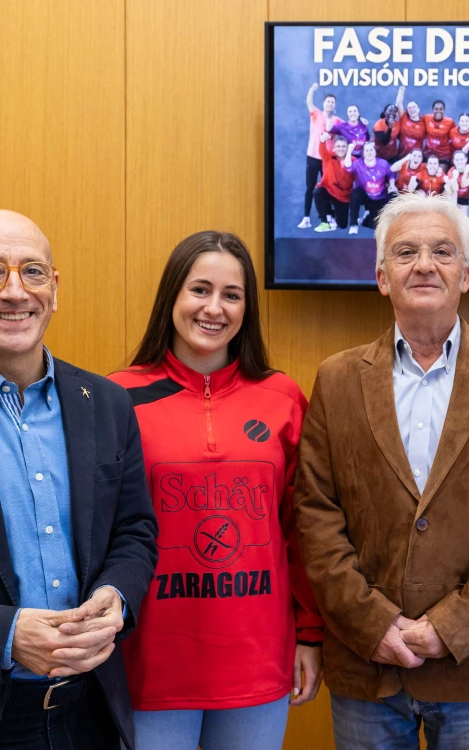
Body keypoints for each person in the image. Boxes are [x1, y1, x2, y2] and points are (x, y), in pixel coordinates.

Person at [294, 192, 469, 750]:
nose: (425, 264)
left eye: (443, 251)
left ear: (466, 273)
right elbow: (315, 515)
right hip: (368, 664)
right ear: (382, 277)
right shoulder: (336, 380)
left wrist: (449, 628)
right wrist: (375, 625)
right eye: (406, 252)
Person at [109, 231, 324, 750]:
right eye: (199, 289)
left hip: (257, 661)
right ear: (172, 298)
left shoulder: (283, 397)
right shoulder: (117, 396)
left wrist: (310, 635)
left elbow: (302, 530)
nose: (214, 307)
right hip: (151, 664)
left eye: (232, 294)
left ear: (247, 308)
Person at [0, 210, 158, 750]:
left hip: (89, 713)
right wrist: (0, 636)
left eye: (33, 272)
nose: (15, 291)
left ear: (55, 288)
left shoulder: (108, 404)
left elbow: (135, 530)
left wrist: (116, 596)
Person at [298, 83, 342, 229]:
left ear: (335, 105)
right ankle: (306, 219)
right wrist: (312, 89)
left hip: (327, 159)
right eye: (328, 101)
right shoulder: (316, 113)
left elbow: (350, 128)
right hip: (312, 156)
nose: (330, 103)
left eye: (332, 102)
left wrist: (361, 122)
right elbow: (309, 102)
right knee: (310, 187)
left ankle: (329, 217)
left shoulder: (337, 120)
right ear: (324, 103)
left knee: (328, 189)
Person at [345, 141, 395, 235]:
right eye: (366, 150)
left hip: (379, 197)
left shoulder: (383, 164)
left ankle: (367, 216)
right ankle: (353, 225)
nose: (369, 152)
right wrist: (349, 150)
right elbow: (348, 168)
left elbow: (391, 175)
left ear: (375, 152)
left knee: (374, 224)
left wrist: (392, 185)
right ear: (363, 153)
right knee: (355, 194)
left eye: (371, 150)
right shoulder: (358, 163)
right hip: (364, 195)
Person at [313, 134, 356, 231]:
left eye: (343, 146)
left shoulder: (353, 160)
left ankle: (332, 214)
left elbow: (361, 176)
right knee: (317, 192)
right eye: (338, 146)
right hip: (328, 190)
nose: (341, 149)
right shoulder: (328, 157)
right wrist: (323, 139)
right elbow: (322, 147)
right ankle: (324, 222)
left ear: (347, 148)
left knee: (342, 225)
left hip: (343, 196)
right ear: (334, 148)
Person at [422, 100, 455, 165]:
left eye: (441, 109)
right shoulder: (426, 118)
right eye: (436, 109)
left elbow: (453, 135)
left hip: (443, 155)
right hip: (428, 153)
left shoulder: (450, 122)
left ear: (444, 110)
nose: (438, 111)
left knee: (440, 174)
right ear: (432, 110)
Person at [396, 86, 426, 157]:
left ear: (418, 109)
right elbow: (399, 104)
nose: (412, 109)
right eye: (409, 108)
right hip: (402, 155)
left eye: (414, 107)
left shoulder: (424, 122)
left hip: (417, 158)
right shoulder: (404, 118)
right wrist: (401, 92)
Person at [444, 150, 469, 215]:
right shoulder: (451, 171)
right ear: (454, 161)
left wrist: (466, 172)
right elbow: (454, 189)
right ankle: (452, 210)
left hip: (467, 197)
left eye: (461, 159)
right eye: (457, 160)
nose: (459, 162)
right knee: (447, 187)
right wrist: (454, 177)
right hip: (455, 196)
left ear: (466, 159)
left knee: (463, 217)